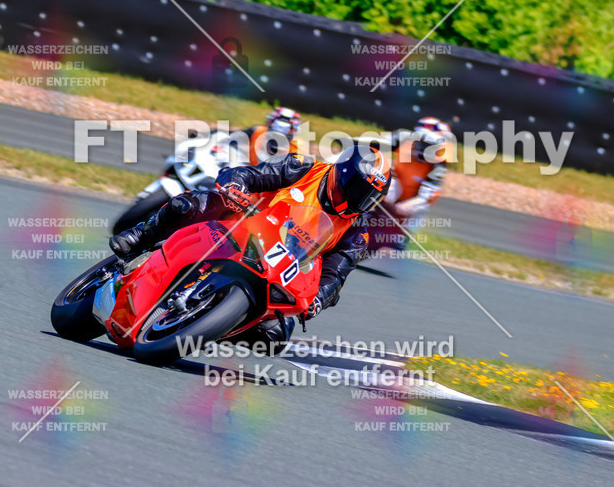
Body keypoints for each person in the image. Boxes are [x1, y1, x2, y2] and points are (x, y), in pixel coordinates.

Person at [108, 144, 392, 351]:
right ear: (341, 172)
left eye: (369, 196)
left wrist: (319, 300)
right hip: (240, 223)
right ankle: (141, 237)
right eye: (357, 188)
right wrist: (236, 186)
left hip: (276, 268)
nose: (360, 199)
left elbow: (335, 277)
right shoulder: (303, 168)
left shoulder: (356, 233)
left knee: (277, 334)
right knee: (189, 204)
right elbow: (251, 174)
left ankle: (208, 327)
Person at [381, 117, 454, 251]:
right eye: (421, 143)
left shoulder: (439, 163)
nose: (422, 150)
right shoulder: (403, 138)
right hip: (395, 184)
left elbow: (426, 197)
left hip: (415, 197)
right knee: (383, 184)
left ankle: (404, 234)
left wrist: (402, 208)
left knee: (421, 208)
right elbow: (376, 143)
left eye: (430, 147)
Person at [239, 107, 304, 165]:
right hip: (251, 171)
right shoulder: (259, 131)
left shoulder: (296, 144)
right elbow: (234, 139)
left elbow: (298, 167)